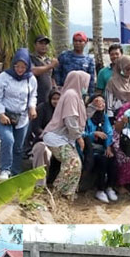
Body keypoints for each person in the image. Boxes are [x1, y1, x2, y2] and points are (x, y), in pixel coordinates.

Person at [41, 71, 90, 200]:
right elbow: (70, 119)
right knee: (73, 163)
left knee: (74, 164)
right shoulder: (71, 95)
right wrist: (78, 137)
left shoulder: (76, 96)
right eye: (85, 82)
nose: (86, 86)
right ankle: (56, 194)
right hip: (56, 137)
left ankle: (66, 196)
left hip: (65, 137)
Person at [0, 48, 38, 180]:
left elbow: (33, 95)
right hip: (4, 114)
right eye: (18, 66)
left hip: (22, 117)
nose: (20, 70)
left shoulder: (31, 79)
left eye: (23, 67)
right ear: (13, 65)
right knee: (8, 140)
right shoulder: (4, 77)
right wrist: (1, 114)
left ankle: (16, 172)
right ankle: (5, 170)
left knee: (18, 146)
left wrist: (32, 107)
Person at [82, 95, 116, 203]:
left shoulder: (104, 117)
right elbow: (81, 133)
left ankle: (109, 187)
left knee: (111, 159)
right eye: (97, 101)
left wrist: (108, 146)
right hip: (90, 150)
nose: (100, 104)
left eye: (102, 101)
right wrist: (93, 134)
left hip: (102, 148)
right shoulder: (85, 117)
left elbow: (109, 132)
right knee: (101, 161)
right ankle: (100, 190)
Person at [28, 89, 60, 185]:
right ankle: (39, 184)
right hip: (42, 140)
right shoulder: (42, 108)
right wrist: (47, 135)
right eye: (54, 99)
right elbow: (36, 127)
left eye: (59, 99)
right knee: (41, 149)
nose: (56, 101)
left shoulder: (63, 110)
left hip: (59, 142)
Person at [30, 35, 58, 107]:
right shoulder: (30, 58)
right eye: (41, 43)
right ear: (35, 45)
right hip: (35, 97)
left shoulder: (49, 60)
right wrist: (50, 66)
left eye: (45, 44)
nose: (44, 46)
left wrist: (55, 90)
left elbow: (52, 77)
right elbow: (34, 71)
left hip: (48, 98)